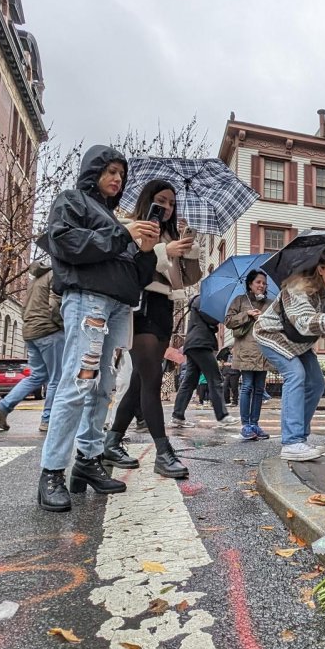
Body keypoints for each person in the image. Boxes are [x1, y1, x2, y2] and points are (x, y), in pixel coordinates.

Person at [36, 144, 158, 512]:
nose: (117, 179)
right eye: (110, 172)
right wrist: (123, 234)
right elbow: (67, 242)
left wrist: (147, 249)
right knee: (79, 381)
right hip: (89, 300)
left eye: (121, 175)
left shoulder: (115, 218)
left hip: (119, 306)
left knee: (104, 386)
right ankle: (52, 471)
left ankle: (87, 462)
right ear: (94, 172)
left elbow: (137, 276)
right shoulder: (72, 201)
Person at [102, 180, 200, 479]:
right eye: (161, 200)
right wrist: (161, 249)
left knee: (138, 380)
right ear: (148, 200)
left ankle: (112, 440)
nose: (167, 207)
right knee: (152, 377)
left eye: (171, 202)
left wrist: (188, 249)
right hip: (139, 305)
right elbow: (128, 263)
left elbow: (187, 279)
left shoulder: (172, 233)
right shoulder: (132, 225)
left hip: (163, 307)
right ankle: (163, 451)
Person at [256, 246, 325, 461]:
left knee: (317, 382)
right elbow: (302, 322)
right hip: (272, 335)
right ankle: (291, 442)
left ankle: (300, 438)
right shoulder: (297, 287)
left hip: (299, 343)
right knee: (296, 375)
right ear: (321, 269)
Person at [0, 260, 64, 433]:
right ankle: (48, 420)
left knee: (36, 376)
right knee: (56, 378)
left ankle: (2, 408)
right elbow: (54, 304)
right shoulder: (55, 274)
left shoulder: (35, 279)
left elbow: (24, 309)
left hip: (31, 331)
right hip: (49, 331)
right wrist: (61, 325)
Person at [170, 295, 240, 431]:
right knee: (215, 378)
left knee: (190, 381)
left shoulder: (199, 301)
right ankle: (222, 416)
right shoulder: (201, 300)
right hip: (200, 343)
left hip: (194, 344)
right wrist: (221, 313)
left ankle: (177, 416)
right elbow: (210, 319)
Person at [225, 270, 274, 440]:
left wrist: (264, 318)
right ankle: (245, 425)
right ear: (250, 284)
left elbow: (277, 324)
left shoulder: (270, 303)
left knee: (260, 389)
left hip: (264, 350)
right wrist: (247, 314)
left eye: (264, 283)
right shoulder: (240, 301)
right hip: (246, 350)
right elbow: (228, 321)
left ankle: (255, 424)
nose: (261, 285)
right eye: (258, 282)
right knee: (247, 386)